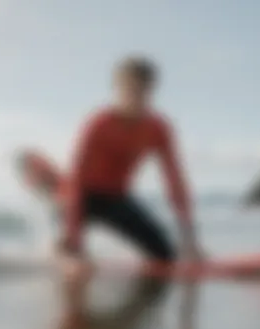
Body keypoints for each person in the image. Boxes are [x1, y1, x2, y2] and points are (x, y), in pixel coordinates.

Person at [60, 56, 202, 268]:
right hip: (80, 196)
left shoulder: (158, 128)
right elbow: (76, 180)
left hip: (116, 198)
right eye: (130, 90)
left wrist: (190, 240)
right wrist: (75, 244)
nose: (136, 98)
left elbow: (175, 181)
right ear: (117, 89)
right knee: (68, 244)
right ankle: (63, 250)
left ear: (152, 90)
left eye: (143, 91)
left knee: (164, 255)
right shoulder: (98, 124)